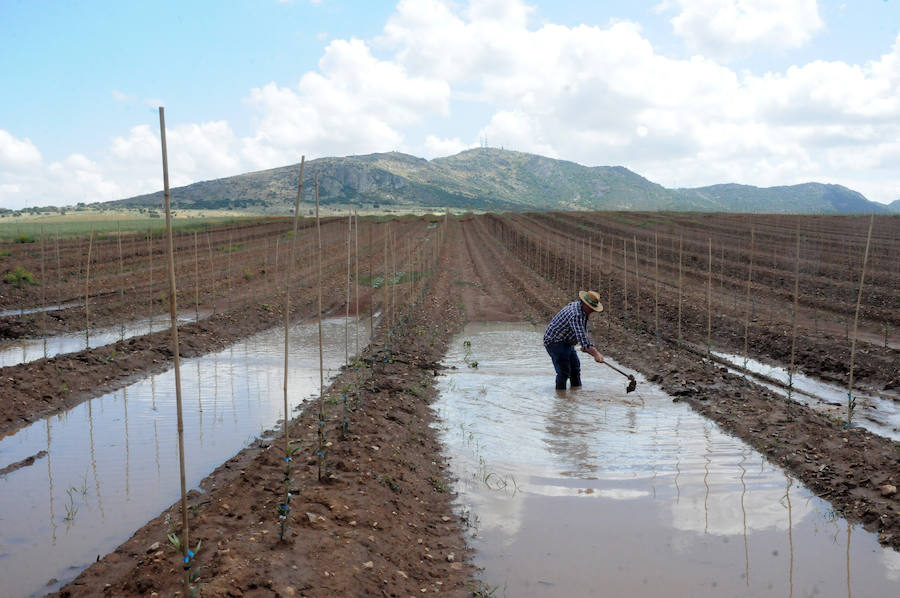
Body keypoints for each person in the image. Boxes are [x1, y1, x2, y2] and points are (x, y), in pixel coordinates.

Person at [543, 290, 604, 390]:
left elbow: (583, 332)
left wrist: (587, 347)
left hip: (566, 341)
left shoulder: (582, 310)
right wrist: (596, 354)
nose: (592, 311)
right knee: (564, 371)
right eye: (591, 308)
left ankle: (575, 396)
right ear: (585, 304)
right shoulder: (576, 313)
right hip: (554, 341)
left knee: (575, 369)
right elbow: (583, 337)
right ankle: (561, 399)